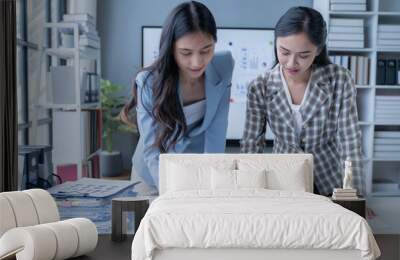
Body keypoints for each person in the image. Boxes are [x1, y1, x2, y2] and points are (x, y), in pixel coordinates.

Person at [240, 6, 363, 196]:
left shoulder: (339, 79)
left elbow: (349, 140)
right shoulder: (260, 86)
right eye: (284, 52)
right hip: (282, 181)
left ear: (318, 49)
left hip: (329, 179)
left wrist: (355, 195)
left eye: (303, 55)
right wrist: (249, 192)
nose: (291, 63)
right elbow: (251, 145)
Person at [120, 1, 234, 195]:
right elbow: (152, 150)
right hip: (151, 173)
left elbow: (216, 134)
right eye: (186, 53)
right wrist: (170, 196)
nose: (197, 62)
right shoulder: (148, 82)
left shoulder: (223, 66)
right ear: (171, 48)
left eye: (206, 50)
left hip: (195, 171)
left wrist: (213, 186)